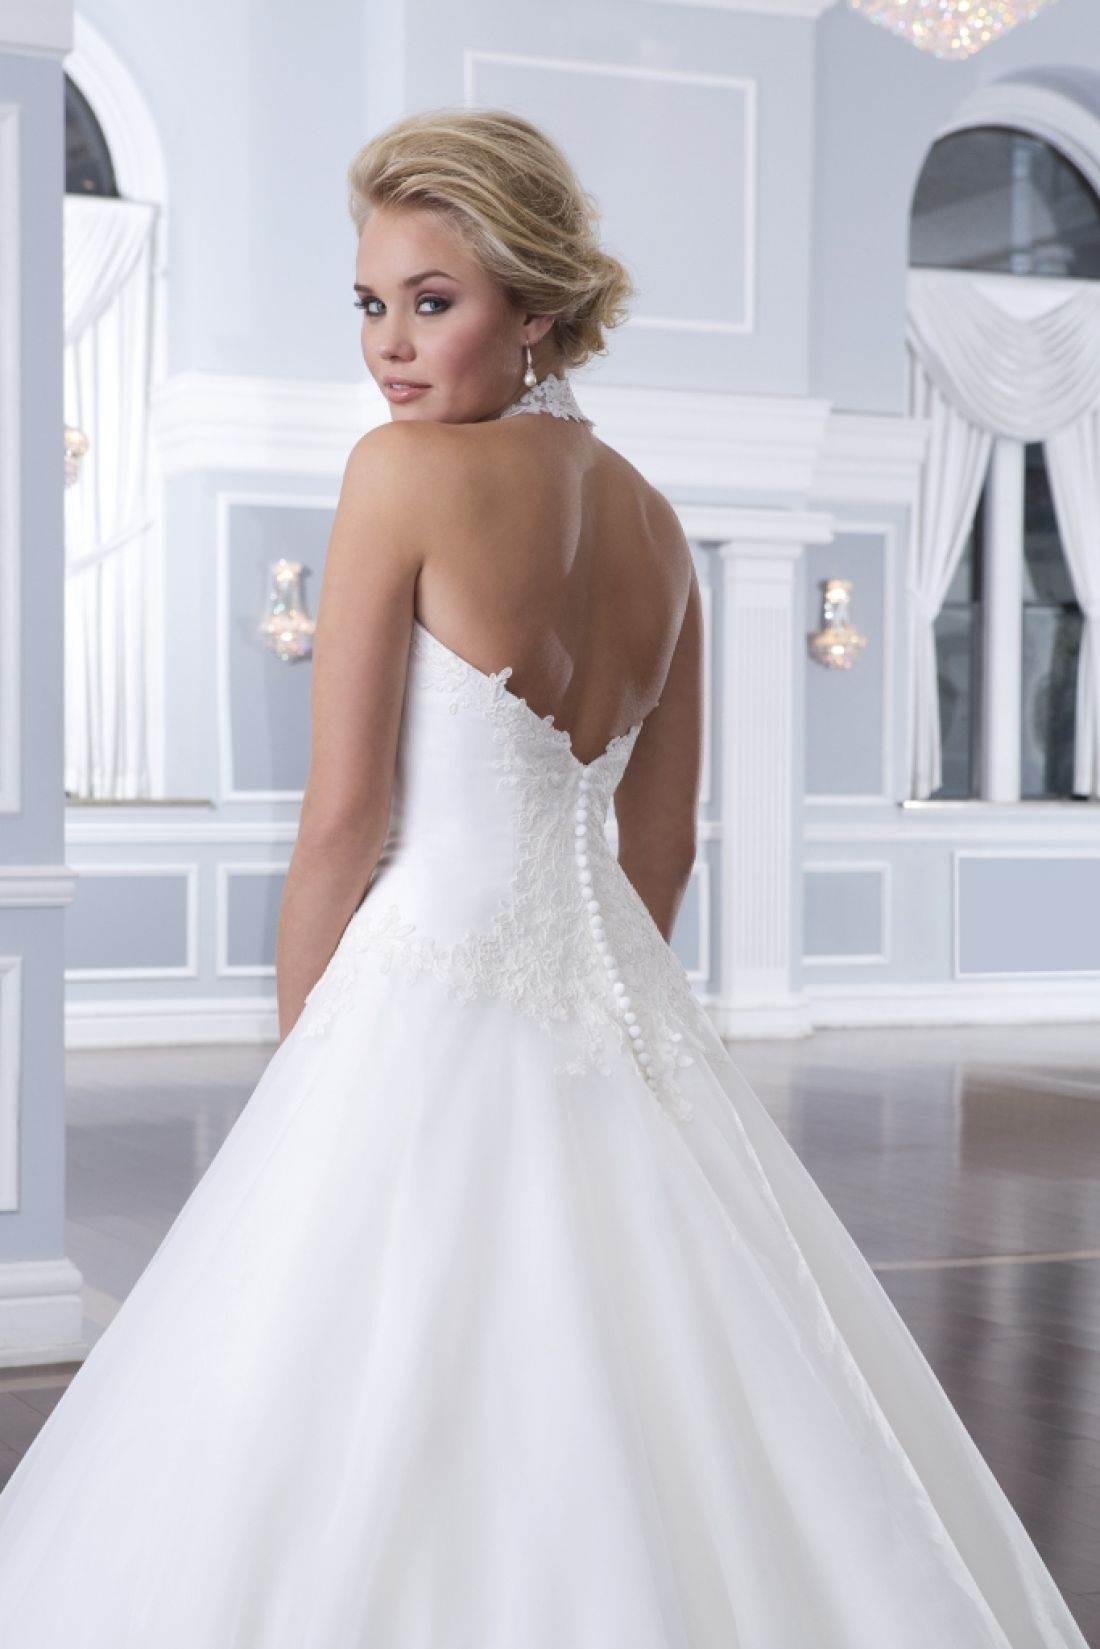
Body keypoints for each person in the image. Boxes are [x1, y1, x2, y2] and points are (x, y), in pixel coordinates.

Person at [0, 106, 1086, 1649]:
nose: (388, 345)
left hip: (417, 994)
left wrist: (304, 1076)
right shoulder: (657, 524)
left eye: (432, 301)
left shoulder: (401, 475)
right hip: (621, 1005)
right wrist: (609, 1009)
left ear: (538, 309)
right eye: (370, 302)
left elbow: (341, 820)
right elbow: (666, 839)